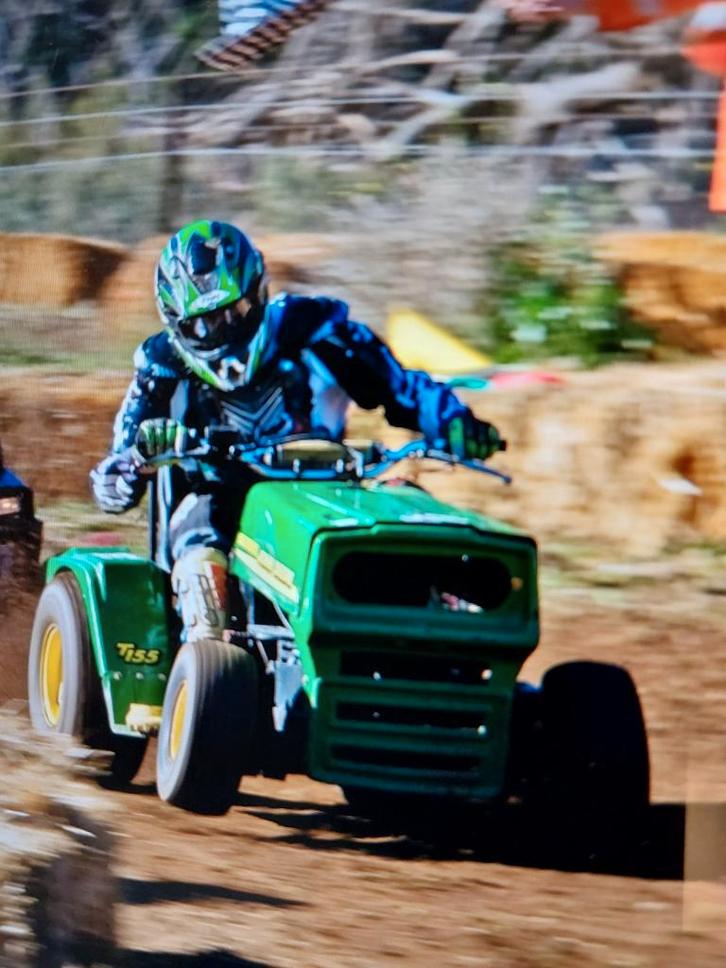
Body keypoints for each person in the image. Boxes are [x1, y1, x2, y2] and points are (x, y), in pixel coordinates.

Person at [91, 219, 504, 643]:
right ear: (176, 321)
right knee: (200, 523)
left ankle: (452, 635)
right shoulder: (160, 367)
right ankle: (206, 640)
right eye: (205, 324)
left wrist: (454, 422)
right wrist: (137, 461)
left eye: (236, 312)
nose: (224, 330)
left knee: (408, 513)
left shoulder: (316, 329)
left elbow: (402, 387)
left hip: (326, 494)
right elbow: (112, 480)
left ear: (259, 293)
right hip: (220, 499)